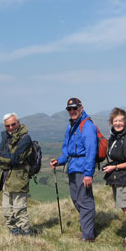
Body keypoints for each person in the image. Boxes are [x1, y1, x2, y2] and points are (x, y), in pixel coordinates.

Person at [50, 98, 97, 242]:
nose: (72, 111)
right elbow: (67, 150)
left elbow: (91, 151)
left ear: (81, 108)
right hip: (72, 167)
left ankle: (88, 236)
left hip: (82, 169)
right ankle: (87, 230)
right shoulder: (71, 126)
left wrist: (88, 174)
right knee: (76, 200)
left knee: (85, 201)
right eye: (69, 109)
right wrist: (59, 161)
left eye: (74, 108)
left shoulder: (87, 126)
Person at [102, 108, 126, 247]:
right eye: (115, 121)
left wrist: (115, 167)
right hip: (119, 177)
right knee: (125, 208)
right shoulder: (117, 137)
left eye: (120, 120)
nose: (117, 123)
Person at [0, 113, 35, 236]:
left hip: (19, 179)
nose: (11, 127)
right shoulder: (5, 138)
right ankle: (14, 234)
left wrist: (6, 158)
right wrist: (8, 159)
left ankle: (26, 235)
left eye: (13, 124)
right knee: (7, 210)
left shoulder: (25, 139)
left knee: (19, 210)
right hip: (6, 178)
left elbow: (16, 158)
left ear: (18, 123)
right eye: (8, 126)